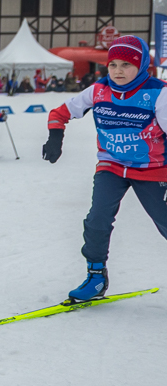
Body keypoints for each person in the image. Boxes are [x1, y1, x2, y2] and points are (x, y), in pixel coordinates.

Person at [42, 35, 167, 302]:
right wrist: (55, 136)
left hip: (153, 169)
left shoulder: (159, 93)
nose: (118, 71)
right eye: (113, 65)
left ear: (141, 66)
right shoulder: (98, 90)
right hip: (111, 165)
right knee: (97, 220)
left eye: (126, 65)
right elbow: (59, 112)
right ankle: (96, 276)